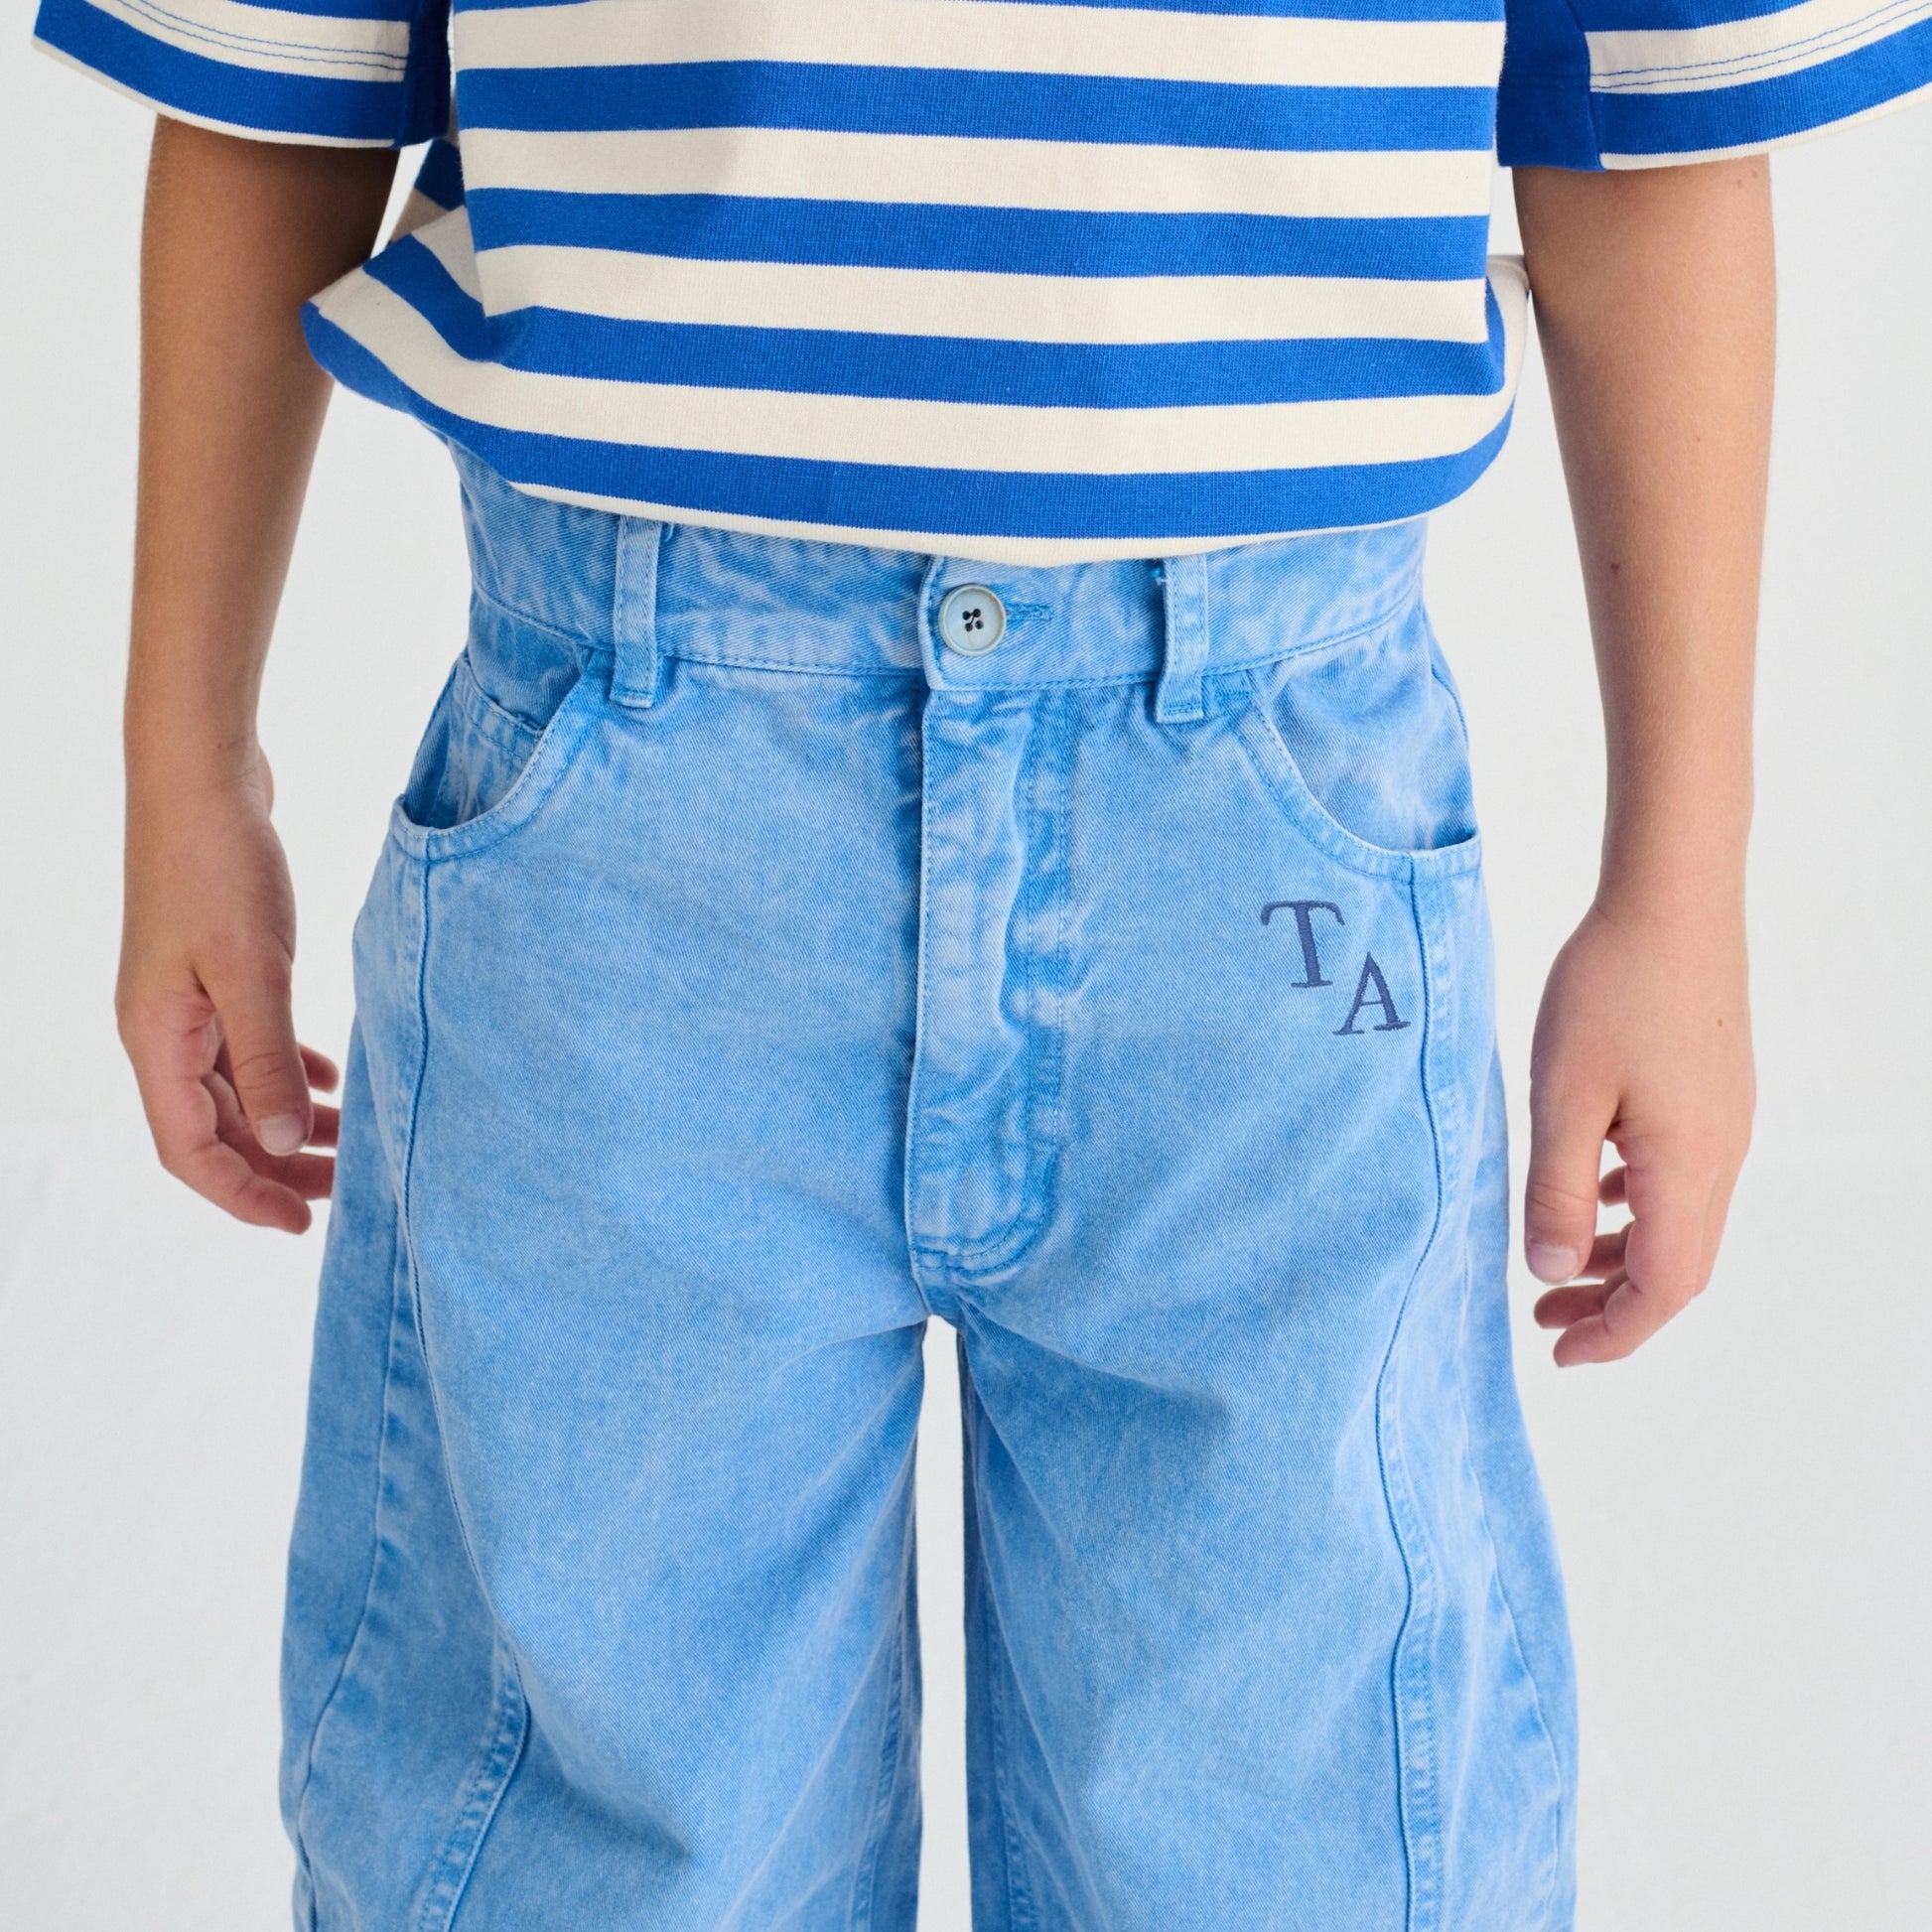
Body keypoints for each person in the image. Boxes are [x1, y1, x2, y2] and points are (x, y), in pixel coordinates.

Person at [31, 0, 1929, 1923]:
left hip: (1263, 864)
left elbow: (1654, 121)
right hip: (635, 833)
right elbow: (274, 81)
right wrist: (184, 762)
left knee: (1302, 1852)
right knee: (577, 1859)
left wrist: (1679, 875)